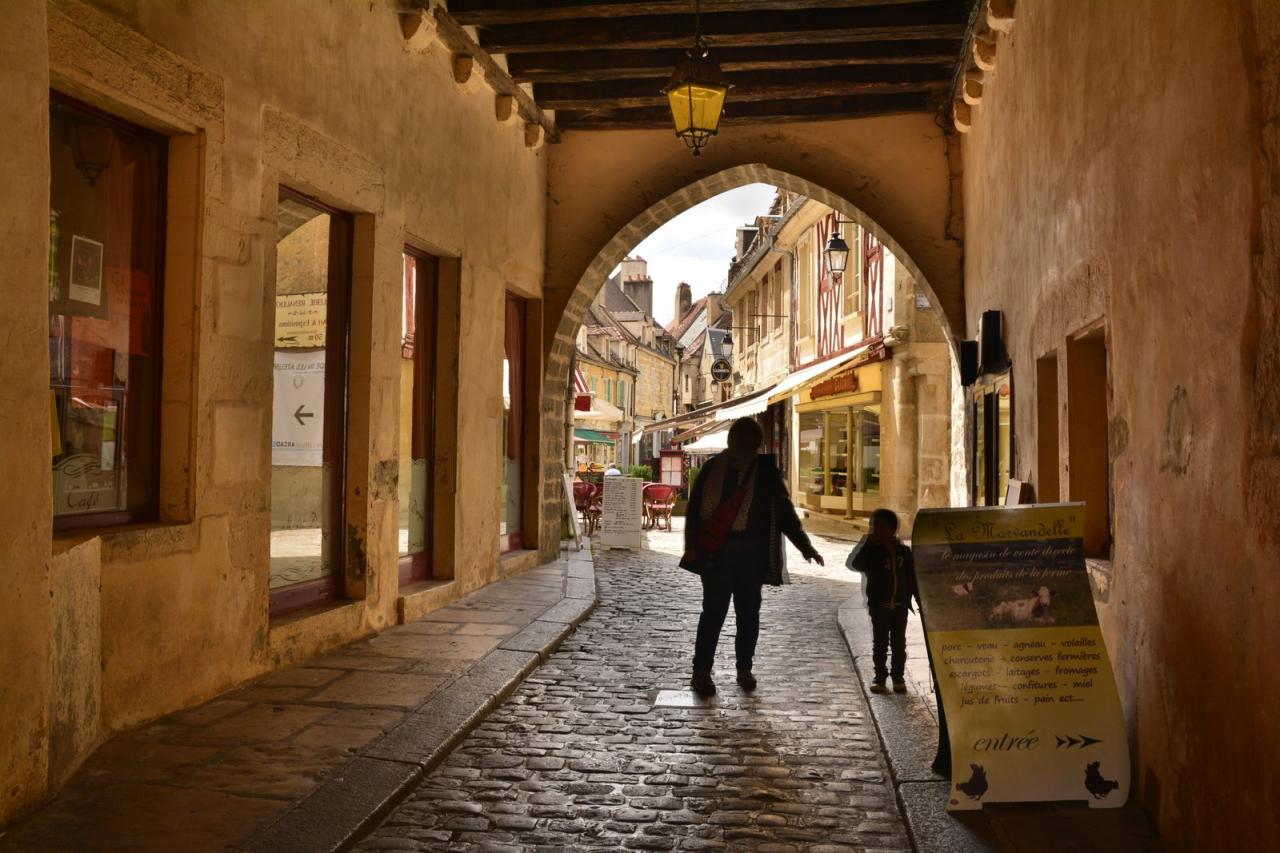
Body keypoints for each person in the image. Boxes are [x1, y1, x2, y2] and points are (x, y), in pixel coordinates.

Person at [681, 418, 824, 696]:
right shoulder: (713, 469)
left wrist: (805, 546)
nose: (745, 444)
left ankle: (741, 668)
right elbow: (696, 512)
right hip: (718, 554)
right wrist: (692, 546)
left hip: (749, 555)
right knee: (716, 614)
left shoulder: (761, 472)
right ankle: (704, 671)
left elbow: (784, 513)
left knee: (746, 615)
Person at [847, 508, 918, 694]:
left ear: (893, 528)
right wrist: (869, 545)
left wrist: (919, 600)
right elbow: (855, 564)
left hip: (900, 606)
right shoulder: (872, 552)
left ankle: (898, 677)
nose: (876, 529)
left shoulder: (904, 552)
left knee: (899, 643)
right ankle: (880, 677)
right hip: (879, 605)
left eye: (881, 526)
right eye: (874, 525)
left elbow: (912, 578)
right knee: (880, 643)